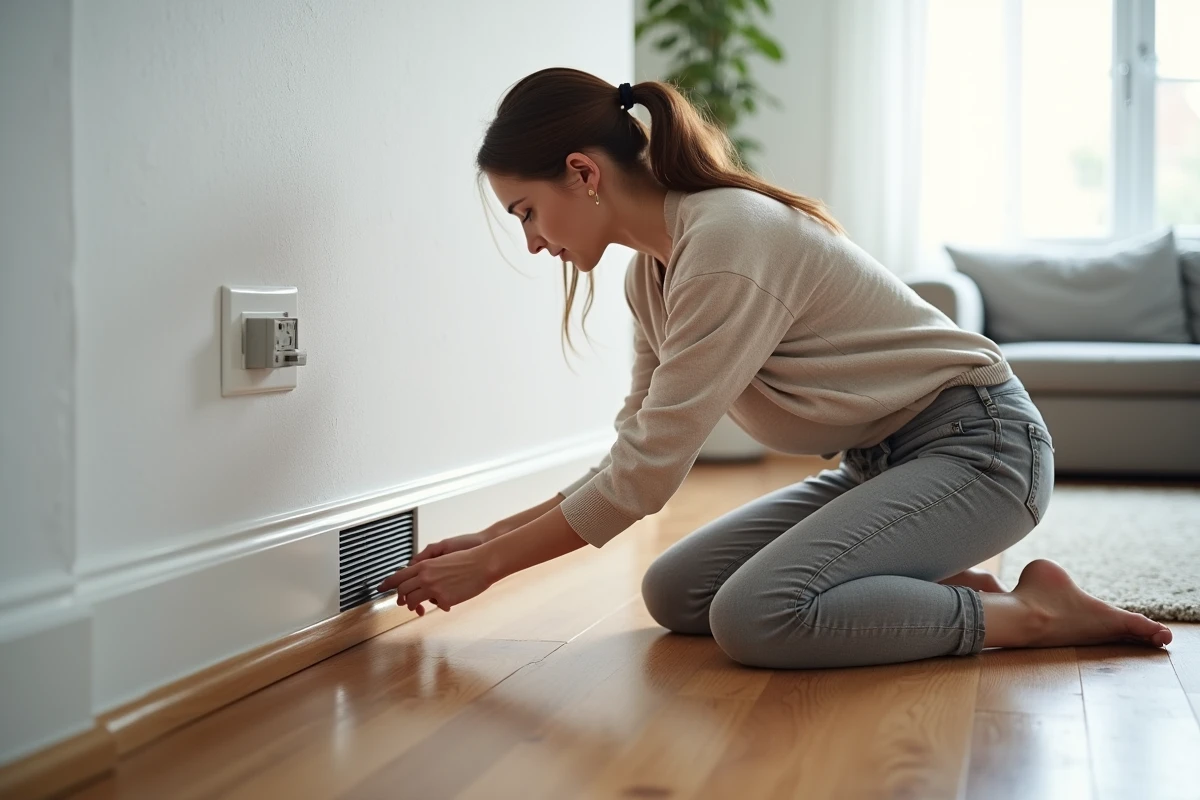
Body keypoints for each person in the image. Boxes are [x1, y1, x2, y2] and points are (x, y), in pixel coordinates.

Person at [378, 68, 1172, 669]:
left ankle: (1035, 615)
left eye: (525, 213)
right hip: (882, 465)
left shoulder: (725, 240)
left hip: (982, 452)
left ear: (583, 174)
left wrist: (490, 567)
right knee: (676, 593)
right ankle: (937, 582)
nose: (532, 242)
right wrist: (489, 534)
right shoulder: (648, 274)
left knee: (757, 616)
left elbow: (644, 480)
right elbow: (636, 452)